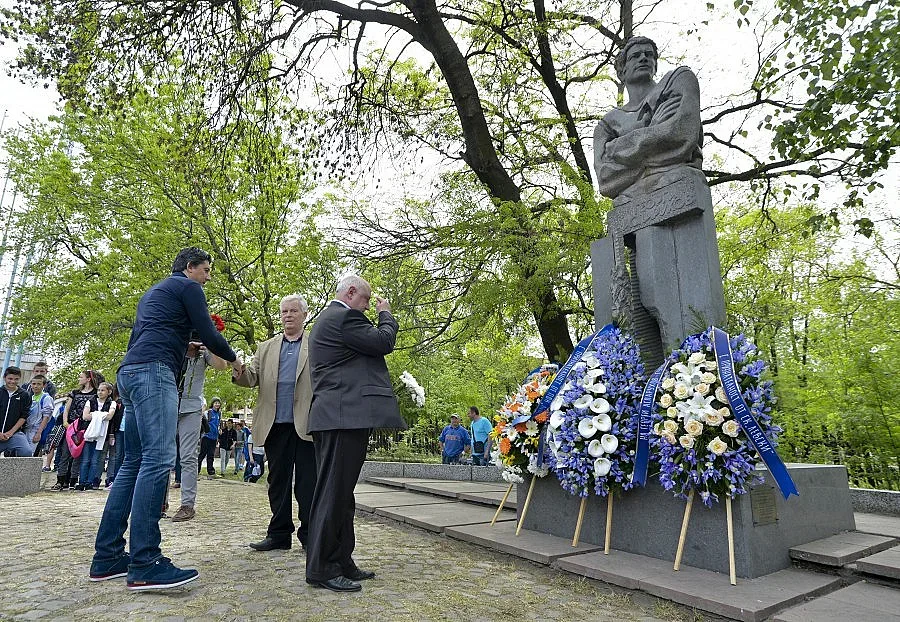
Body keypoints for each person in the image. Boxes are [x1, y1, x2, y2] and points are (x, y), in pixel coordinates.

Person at [90, 246, 242, 591]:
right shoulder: (189, 288)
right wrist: (233, 359)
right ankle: (146, 562)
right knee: (159, 461)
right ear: (190, 268)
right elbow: (207, 331)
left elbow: (146, 336)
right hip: (154, 375)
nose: (207, 277)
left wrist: (181, 345)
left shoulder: (154, 292)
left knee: (133, 463)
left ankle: (108, 556)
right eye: (205, 270)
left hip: (130, 372)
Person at [305, 274, 406, 593]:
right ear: (350, 293)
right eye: (366, 299)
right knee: (333, 493)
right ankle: (321, 567)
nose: (367, 305)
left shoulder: (330, 319)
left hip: (338, 415)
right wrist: (386, 313)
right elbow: (383, 342)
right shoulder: (344, 316)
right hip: (341, 416)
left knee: (342, 495)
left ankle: (341, 559)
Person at [233, 294, 315, 551]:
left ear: (304, 315)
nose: (287, 316)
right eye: (284, 312)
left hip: (306, 425)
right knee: (277, 482)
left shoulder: (316, 344)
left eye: (293, 311)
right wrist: (238, 369)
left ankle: (310, 535)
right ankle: (279, 534)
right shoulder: (266, 347)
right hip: (274, 425)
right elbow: (250, 379)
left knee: (307, 484)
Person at [172, 340, 227, 522]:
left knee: (188, 456)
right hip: (168, 405)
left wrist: (209, 346)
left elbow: (222, 365)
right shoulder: (174, 344)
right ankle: (158, 502)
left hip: (192, 408)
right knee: (162, 456)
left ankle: (187, 505)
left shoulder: (204, 352)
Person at [53, 370, 102, 490]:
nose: (79, 379)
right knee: (65, 453)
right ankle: (60, 479)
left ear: (88, 379)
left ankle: (73, 479)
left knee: (78, 455)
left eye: (81, 377)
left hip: (85, 427)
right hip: (71, 426)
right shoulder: (74, 393)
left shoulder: (95, 394)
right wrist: (66, 422)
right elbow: (67, 409)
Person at [77, 381, 116, 491]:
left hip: (102, 434)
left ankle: (90, 482)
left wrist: (94, 414)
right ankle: (82, 481)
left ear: (109, 392)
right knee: (85, 460)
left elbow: (110, 416)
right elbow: (85, 416)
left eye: (102, 390)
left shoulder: (111, 403)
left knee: (95, 460)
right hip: (89, 433)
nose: (100, 392)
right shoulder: (91, 401)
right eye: (99, 390)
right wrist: (101, 415)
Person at [0, 366, 32, 456]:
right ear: (4, 378)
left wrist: (11, 432)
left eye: (16, 379)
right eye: (10, 378)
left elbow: (24, 416)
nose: (13, 381)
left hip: (14, 434)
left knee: (26, 452)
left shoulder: (25, 395)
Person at [24, 374, 54, 456]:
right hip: (26, 429)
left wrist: (38, 433)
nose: (35, 386)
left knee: (29, 454)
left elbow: (46, 417)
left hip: (36, 430)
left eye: (39, 384)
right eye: (33, 384)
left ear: (44, 385)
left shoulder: (46, 398)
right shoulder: (31, 397)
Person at [197, 398, 221, 477]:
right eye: (215, 403)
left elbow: (218, 425)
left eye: (218, 403)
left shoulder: (219, 414)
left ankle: (211, 472)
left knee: (211, 455)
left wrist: (218, 432)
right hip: (206, 436)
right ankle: (196, 471)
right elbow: (202, 421)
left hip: (214, 438)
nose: (217, 404)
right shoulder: (208, 412)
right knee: (202, 454)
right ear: (212, 404)